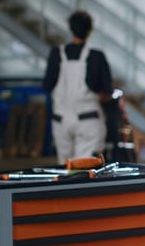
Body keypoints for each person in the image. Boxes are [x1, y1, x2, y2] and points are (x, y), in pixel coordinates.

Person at [42, 10, 113, 164]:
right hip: (88, 119)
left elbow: (47, 85)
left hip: (60, 120)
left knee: (65, 166)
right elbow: (107, 91)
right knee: (85, 167)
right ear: (90, 30)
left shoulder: (56, 54)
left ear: (70, 28)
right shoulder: (96, 56)